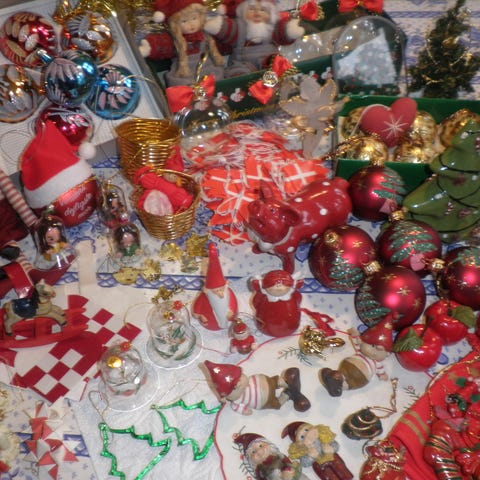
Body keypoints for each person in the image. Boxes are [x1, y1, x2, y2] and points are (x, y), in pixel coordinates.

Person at [205, 0, 304, 75]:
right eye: (251, 9)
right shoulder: (238, 26)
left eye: (262, 10)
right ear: (243, 11)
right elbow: (227, 29)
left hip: (268, 61)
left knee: (277, 66)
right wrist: (218, 26)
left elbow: (282, 33)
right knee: (238, 73)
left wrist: (289, 31)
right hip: (242, 63)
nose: (257, 14)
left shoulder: (272, 27)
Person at [138, 0, 225, 86]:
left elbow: (222, 43)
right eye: (184, 21)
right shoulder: (175, 40)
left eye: (194, 18)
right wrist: (149, 47)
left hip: (207, 67)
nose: (191, 24)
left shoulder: (206, 35)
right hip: (184, 73)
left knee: (216, 75)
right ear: (175, 24)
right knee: (183, 84)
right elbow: (161, 43)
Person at [319, 315, 394, 397]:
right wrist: (354, 335)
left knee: (351, 383)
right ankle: (334, 378)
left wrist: (382, 375)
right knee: (341, 374)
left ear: (387, 354)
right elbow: (356, 342)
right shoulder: (360, 351)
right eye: (372, 346)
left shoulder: (378, 364)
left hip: (361, 377)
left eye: (381, 351)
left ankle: (338, 387)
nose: (374, 353)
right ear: (363, 342)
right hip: (347, 367)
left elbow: (380, 371)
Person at [202, 360, 310, 415]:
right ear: (225, 398)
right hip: (265, 401)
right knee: (276, 403)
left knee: (274, 380)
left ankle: (283, 382)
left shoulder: (246, 381)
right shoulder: (236, 402)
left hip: (266, 381)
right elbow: (241, 409)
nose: (239, 384)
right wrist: (245, 411)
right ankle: (286, 395)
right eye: (234, 388)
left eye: (240, 377)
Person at [281, 422, 353, 480]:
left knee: (338, 463)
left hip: (332, 458)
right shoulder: (306, 451)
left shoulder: (324, 439)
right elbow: (304, 463)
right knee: (326, 473)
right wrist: (311, 457)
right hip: (319, 465)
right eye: (302, 437)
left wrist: (331, 448)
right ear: (300, 444)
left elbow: (335, 444)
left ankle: (346, 476)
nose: (307, 435)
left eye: (307, 430)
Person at [191, 243, 238, 330]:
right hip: (210, 321)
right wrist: (197, 312)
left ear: (226, 285)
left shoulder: (229, 293)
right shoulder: (205, 296)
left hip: (226, 320)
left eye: (221, 289)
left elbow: (233, 303)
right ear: (207, 290)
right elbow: (198, 303)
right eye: (216, 291)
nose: (220, 293)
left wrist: (231, 312)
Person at [234, 433, 310, 480]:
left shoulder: (279, 456)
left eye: (260, 446)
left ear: (269, 444)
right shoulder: (259, 470)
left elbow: (288, 463)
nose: (259, 451)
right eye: (253, 452)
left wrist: (289, 471)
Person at [250, 270, 303, 337]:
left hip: (290, 324)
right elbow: (256, 303)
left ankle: (290, 328)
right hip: (267, 323)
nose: (279, 288)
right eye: (274, 285)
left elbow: (298, 300)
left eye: (283, 284)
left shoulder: (292, 295)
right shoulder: (263, 296)